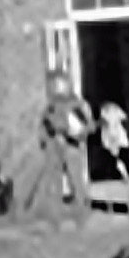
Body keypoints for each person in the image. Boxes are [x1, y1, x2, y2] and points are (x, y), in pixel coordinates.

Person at [41, 89, 95, 222]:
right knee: (56, 182)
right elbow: (45, 124)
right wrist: (47, 138)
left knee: (75, 181)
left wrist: (79, 134)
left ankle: (80, 214)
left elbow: (90, 126)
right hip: (56, 145)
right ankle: (56, 216)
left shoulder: (78, 105)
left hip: (71, 145)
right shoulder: (52, 106)